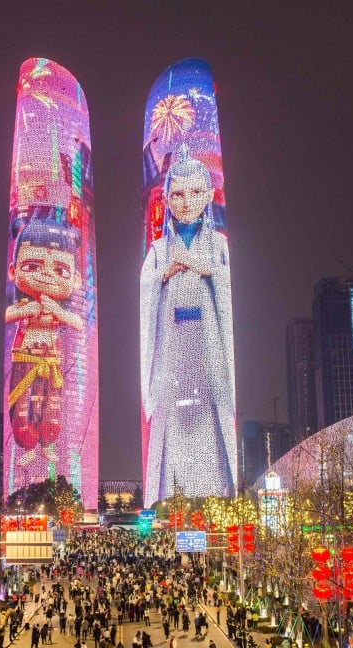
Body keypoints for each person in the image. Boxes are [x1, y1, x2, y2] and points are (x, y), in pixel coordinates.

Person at [141, 145, 236, 505]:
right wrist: (163, 274)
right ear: (165, 198)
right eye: (177, 194)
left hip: (207, 342)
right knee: (171, 419)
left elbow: (227, 281)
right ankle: (169, 495)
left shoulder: (217, 245)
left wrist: (198, 264)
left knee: (210, 412)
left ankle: (216, 492)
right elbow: (146, 290)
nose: (186, 201)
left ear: (209, 195)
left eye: (195, 192)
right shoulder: (158, 249)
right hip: (171, 345)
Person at [5, 217, 85, 457]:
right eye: (32, 266)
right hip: (25, 358)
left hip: (52, 362)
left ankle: (47, 442)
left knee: (51, 403)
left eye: (60, 270)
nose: (46, 276)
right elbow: (8, 314)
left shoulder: (58, 308)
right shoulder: (23, 303)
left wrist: (59, 312)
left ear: (76, 279)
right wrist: (26, 310)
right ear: (13, 270)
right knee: (23, 402)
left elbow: (78, 323)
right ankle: (27, 445)